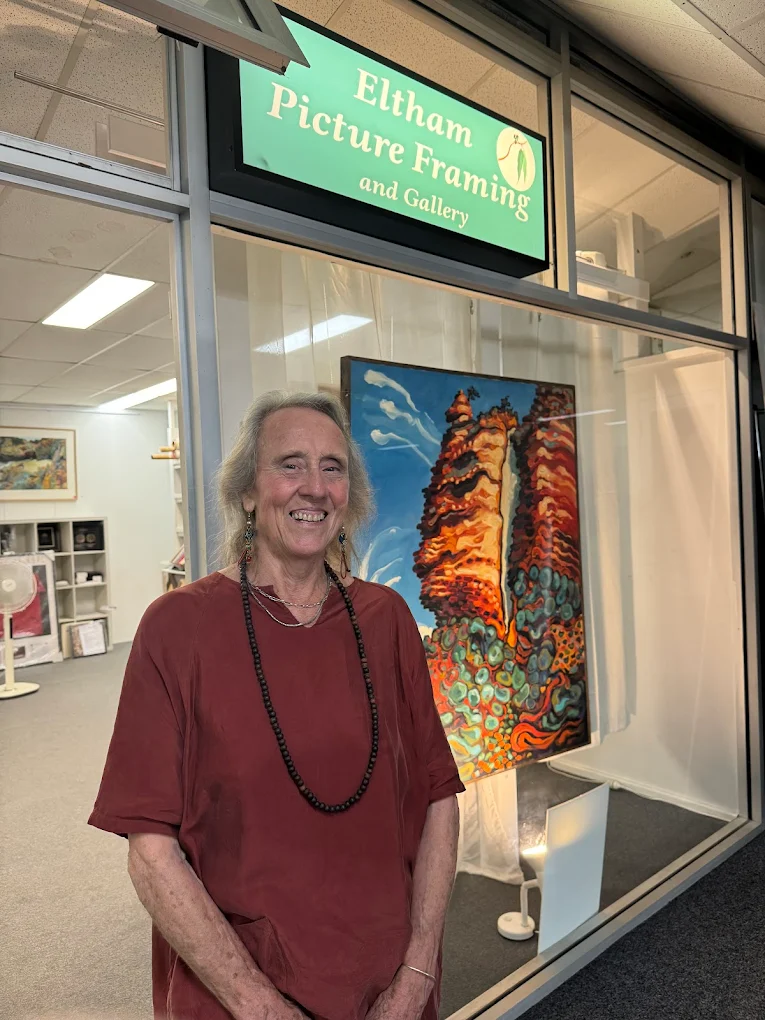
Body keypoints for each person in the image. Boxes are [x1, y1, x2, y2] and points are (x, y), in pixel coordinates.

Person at [89, 391, 464, 1020]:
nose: (314, 486)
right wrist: (260, 1006)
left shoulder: (387, 618)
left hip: (388, 983)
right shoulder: (177, 628)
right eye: (290, 464)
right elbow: (151, 852)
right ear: (246, 492)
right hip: (237, 991)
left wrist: (418, 973)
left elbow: (438, 797)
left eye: (332, 467)